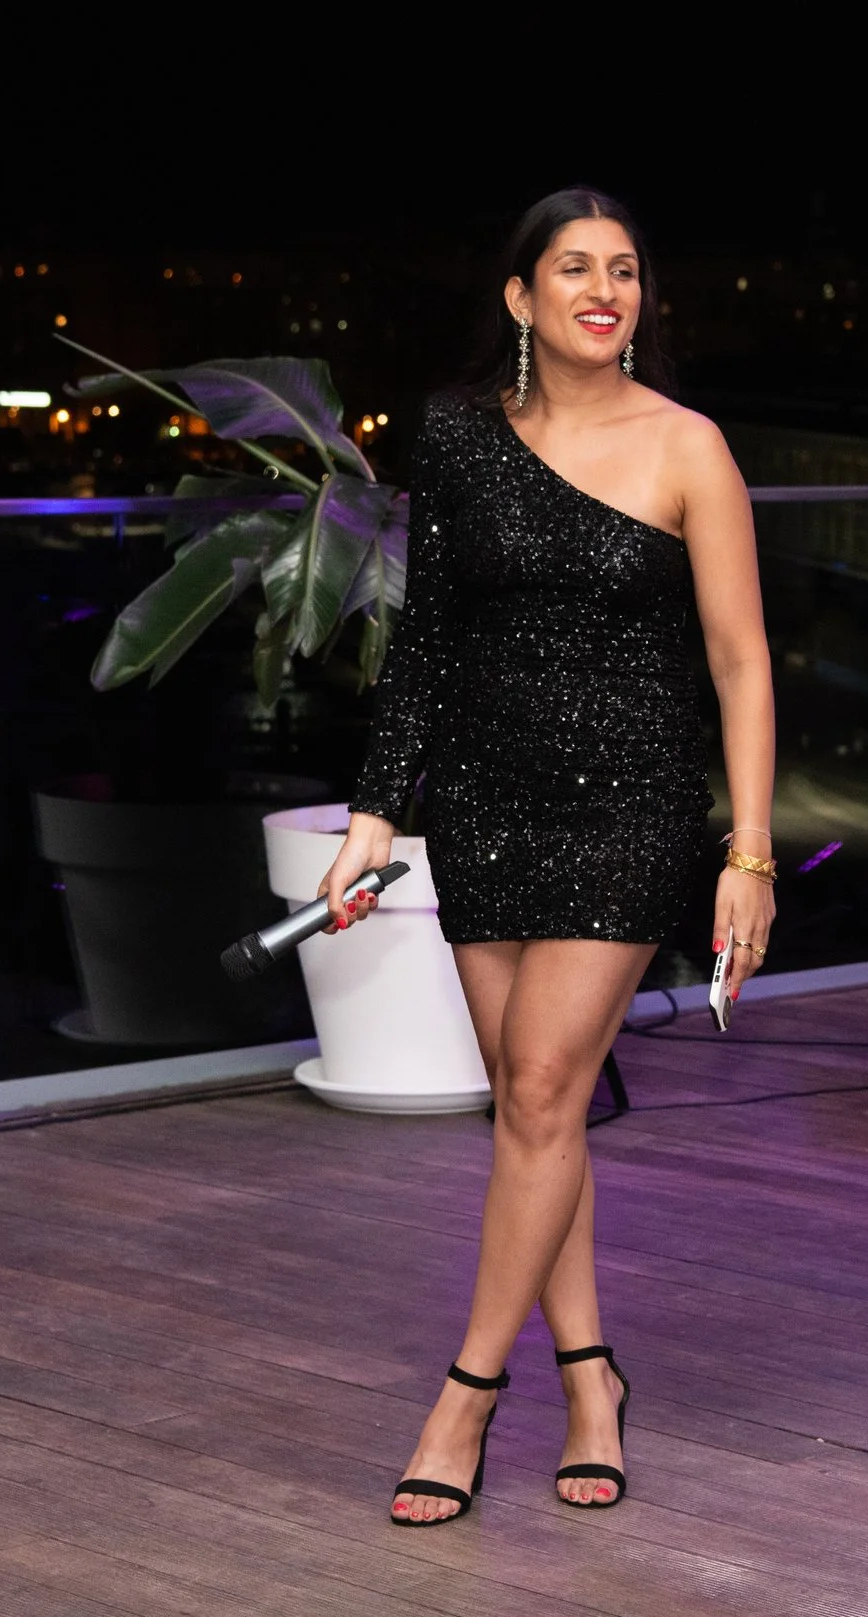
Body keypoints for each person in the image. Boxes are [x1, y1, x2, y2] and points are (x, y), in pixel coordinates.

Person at [315, 187, 778, 1527]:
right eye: (574, 268)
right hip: (485, 802)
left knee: (539, 1083)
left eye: (626, 270)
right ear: (521, 298)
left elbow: (743, 665)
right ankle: (592, 1380)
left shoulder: (690, 446)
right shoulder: (457, 436)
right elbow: (427, 641)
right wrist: (374, 812)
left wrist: (746, 851)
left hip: (631, 806)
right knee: (543, 1114)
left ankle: (467, 1389)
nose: (605, 289)